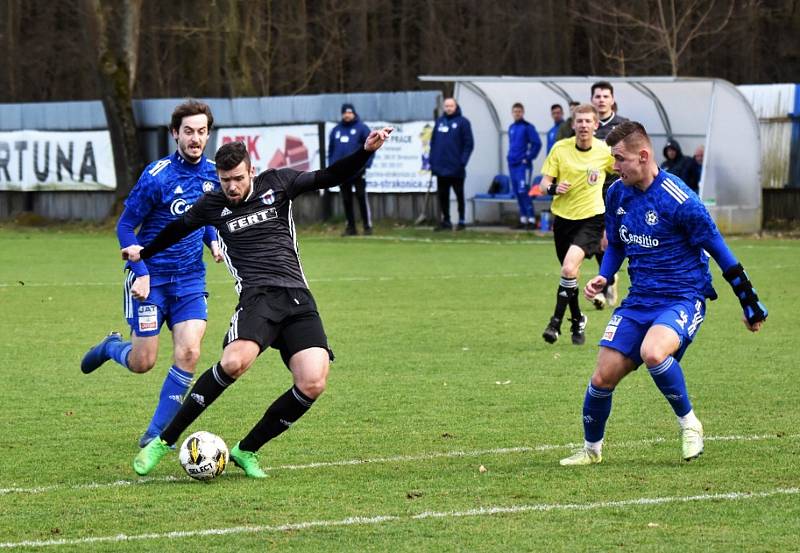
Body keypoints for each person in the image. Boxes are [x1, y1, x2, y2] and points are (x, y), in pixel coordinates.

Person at [127, 126, 394, 478]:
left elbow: (331, 175)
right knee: (235, 362)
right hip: (258, 298)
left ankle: (246, 449)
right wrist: (143, 252)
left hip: (297, 297)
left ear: (251, 171)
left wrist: (365, 151)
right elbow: (177, 229)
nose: (232, 187)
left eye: (238, 178)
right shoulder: (213, 204)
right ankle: (164, 441)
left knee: (314, 381)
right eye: (225, 180)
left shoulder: (280, 183)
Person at [560, 121, 768, 466]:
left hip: (682, 297)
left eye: (620, 159)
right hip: (639, 300)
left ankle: (690, 425)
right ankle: (591, 450)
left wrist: (750, 303)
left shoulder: (682, 200)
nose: (614, 166)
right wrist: (604, 276)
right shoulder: (616, 193)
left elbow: (722, 253)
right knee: (602, 375)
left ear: (643, 156)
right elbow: (617, 244)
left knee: (654, 352)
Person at [80, 99, 222, 448]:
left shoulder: (214, 175)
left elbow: (201, 218)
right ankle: (112, 347)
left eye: (202, 132)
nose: (195, 138)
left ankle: (156, 435)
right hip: (151, 280)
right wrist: (139, 270)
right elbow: (126, 228)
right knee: (143, 362)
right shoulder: (157, 176)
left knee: (189, 353)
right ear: (175, 133)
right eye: (188, 131)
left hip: (190, 280)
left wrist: (214, 239)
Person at [538, 104, 615, 346]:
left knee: (569, 269)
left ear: (595, 125)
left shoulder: (605, 152)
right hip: (562, 220)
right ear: (573, 125)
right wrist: (553, 188)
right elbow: (543, 184)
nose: (583, 125)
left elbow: (621, 174)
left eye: (587, 121)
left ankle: (555, 323)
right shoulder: (560, 149)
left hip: (592, 220)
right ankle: (578, 319)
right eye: (579, 121)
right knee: (569, 275)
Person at [591, 81, 629, 310]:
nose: (601, 99)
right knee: (597, 242)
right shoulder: (586, 126)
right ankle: (608, 281)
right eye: (597, 96)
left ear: (612, 99)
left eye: (606, 95)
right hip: (592, 194)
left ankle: (606, 285)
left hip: (618, 193)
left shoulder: (623, 126)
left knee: (612, 239)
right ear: (592, 99)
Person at [328, 103, 374, 236]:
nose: (347, 115)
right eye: (345, 113)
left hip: (358, 170)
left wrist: (366, 164)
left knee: (361, 197)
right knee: (346, 199)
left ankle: (367, 227)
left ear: (354, 113)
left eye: (349, 113)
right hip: (342, 172)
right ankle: (351, 227)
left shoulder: (362, 128)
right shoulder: (336, 130)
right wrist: (332, 167)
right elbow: (331, 151)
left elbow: (371, 148)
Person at [429, 97, 474, 231]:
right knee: (443, 195)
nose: (449, 108)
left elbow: (469, 144)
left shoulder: (463, 122)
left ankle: (461, 220)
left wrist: (462, 161)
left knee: (459, 194)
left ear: (456, 106)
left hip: (456, 167)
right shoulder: (440, 122)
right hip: (441, 167)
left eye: (451, 106)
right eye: (446, 106)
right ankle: (446, 220)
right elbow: (433, 143)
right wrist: (433, 161)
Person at [507, 102, 542, 230]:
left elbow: (537, 144)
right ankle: (523, 219)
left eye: (519, 112)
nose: (517, 114)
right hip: (512, 165)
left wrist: (527, 158)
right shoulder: (511, 127)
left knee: (524, 191)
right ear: (512, 113)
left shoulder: (528, 127)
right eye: (515, 111)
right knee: (517, 192)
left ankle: (531, 219)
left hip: (523, 166)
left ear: (523, 113)